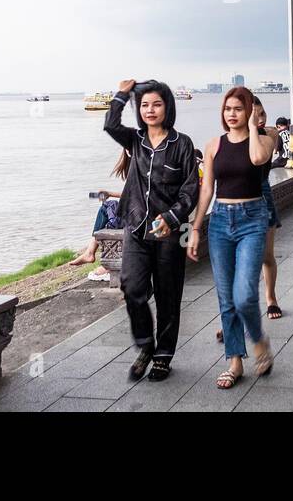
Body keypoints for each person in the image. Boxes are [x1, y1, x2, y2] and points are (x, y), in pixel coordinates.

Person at [103, 78, 199, 381]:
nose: (150, 110)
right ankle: (145, 344)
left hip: (169, 233)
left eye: (156, 104)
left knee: (169, 296)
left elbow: (190, 189)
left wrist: (171, 218)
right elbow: (110, 124)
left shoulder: (182, 144)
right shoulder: (135, 140)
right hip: (136, 227)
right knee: (132, 288)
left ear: (167, 107)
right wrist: (121, 94)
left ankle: (163, 355)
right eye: (144, 105)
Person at [188, 87, 276, 389]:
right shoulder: (213, 145)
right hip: (221, 222)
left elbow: (256, 159)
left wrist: (252, 126)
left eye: (239, 108)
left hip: (253, 219)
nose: (232, 114)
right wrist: (196, 228)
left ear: (250, 110)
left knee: (244, 295)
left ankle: (259, 340)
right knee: (226, 299)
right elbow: (207, 190)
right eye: (228, 109)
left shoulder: (265, 138)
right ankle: (235, 361)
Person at [252, 100, 284, 320]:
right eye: (255, 115)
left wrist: (253, 127)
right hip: (238, 199)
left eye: (263, 113)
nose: (261, 118)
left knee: (266, 255)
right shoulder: (233, 138)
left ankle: (271, 297)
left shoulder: (270, 135)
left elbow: (259, 157)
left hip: (262, 192)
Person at [68, 186, 122, 281]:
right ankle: (90, 253)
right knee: (110, 206)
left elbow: (133, 195)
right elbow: (135, 195)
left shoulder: (141, 173)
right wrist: (109, 194)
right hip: (142, 217)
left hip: (138, 221)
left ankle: (91, 254)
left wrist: (110, 194)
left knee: (107, 206)